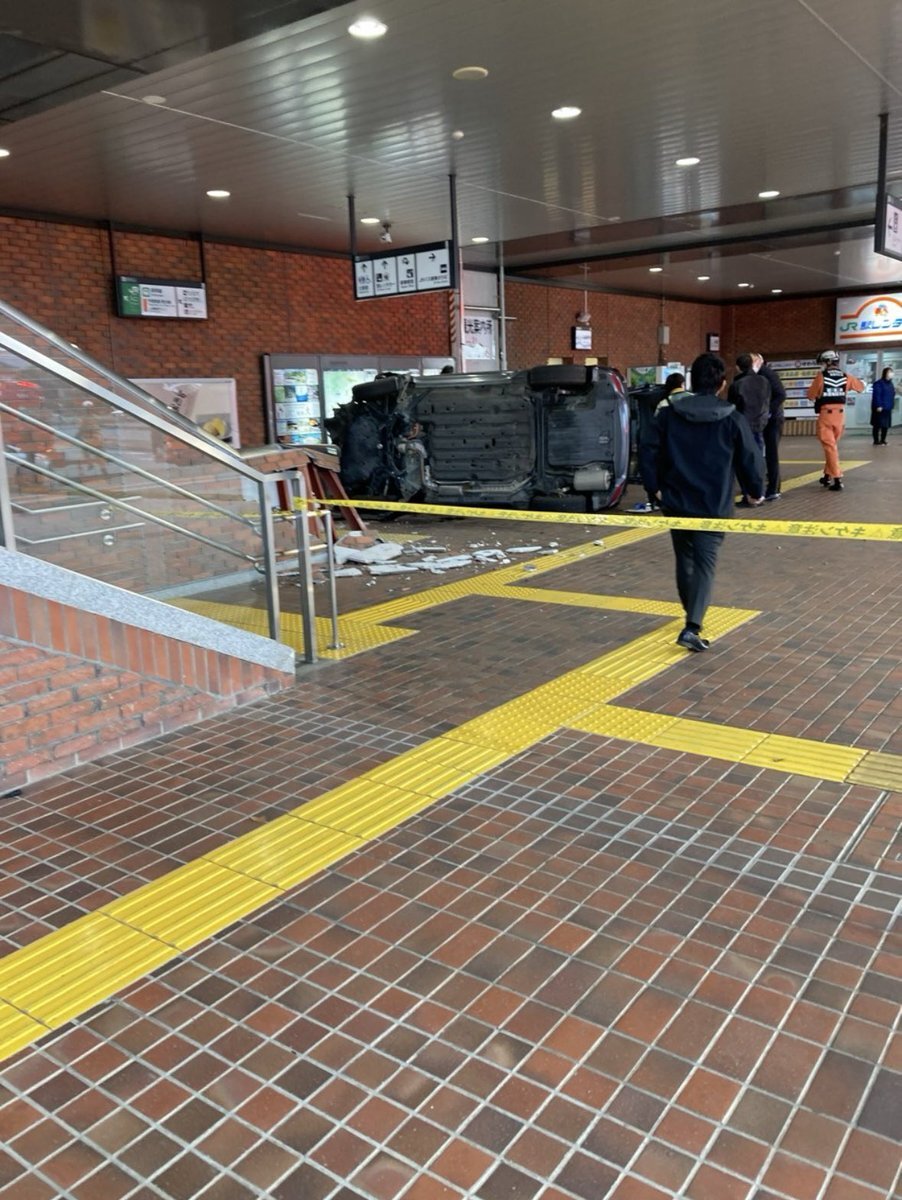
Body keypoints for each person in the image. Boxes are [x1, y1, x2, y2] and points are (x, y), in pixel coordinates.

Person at [647, 352, 763, 653]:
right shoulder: (733, 418)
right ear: (722, 384)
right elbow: (750, 459)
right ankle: (692, 626)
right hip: (715, 503)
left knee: (684, 558)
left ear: (690, 381)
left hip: (675, 500)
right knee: (704, 563)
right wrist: (755, 490)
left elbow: (647, 448)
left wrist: (654, 488)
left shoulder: (668, 414)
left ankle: (692, 613)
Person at [806, 350, 865, 490]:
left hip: (826, 416)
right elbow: (861, 387)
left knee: (830, 448)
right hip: (840, 418)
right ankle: (827, 476)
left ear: (827, 362)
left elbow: (810, 395)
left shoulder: (821, 376)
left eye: (822, 362)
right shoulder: (846, 376)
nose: (822, 365)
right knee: (831, 447)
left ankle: (837, 479)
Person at [633, 372, 684, 512]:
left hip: (668, 445)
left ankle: (657, 501)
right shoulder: (693, 399)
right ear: (682, 384)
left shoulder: (664, 404)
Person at [753, 353, 786, 499]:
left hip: (772, 420)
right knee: (765, 453)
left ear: (759, 361)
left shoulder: (768, 374)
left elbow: (781, 394)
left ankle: (774, 489)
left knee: (771, 454)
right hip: (762, 419)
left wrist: (767, 411)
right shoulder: (755, 376)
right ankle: (765, 486)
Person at [728, 354, 771, 453]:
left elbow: (732, 406)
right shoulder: (764, 381)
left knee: (743, 453)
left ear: (737, 367)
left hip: (743, 424)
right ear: (752, 364)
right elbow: (768, 400)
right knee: (758, 452)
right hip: (760, 423)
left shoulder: (737, 384)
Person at [871, 366, 895, 445]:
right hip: (880, 408)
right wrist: (878, 405)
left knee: (886, 425)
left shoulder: (891, 384)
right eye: (889, 372)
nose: (891, 374)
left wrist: (892, 405)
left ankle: (883, 440)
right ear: (885, 373)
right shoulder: (879, 383)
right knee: (877, 425)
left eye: (892, 372)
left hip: (887, 407)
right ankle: (876, 440)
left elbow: (892, 395)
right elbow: (877, 395)